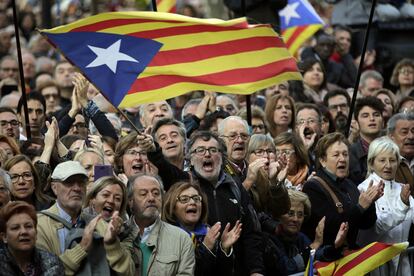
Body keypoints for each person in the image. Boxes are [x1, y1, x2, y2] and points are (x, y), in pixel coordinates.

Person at [36, 161, 134, 275]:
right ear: (54, 187)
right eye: (69, 183)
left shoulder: (97, 222)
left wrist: (112, 244)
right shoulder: (39, 225)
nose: (77, 188)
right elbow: (43, 272)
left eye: (81, 183)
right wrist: (81, 249)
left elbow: (129, 272)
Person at [302, 132, 382, 249]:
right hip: (327, 258)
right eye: (336, 155)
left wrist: (369, 203)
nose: (342, 159)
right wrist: (360, 207)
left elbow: (366, 224)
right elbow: (331, 227)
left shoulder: (349, 184)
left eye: (345, 154)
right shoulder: (313, 187)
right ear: (322, 161)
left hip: (349, 256)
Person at [358, 137, 413, 275]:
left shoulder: (403, 189)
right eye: (382, 160)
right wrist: (401, 206)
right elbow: (373, 230)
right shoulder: (364, 190)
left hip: (402, 264)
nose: (388, 165)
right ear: (371, 163)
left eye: (392, 160)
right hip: (376, 266)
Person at [163, 181, 241, 276]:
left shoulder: (210, 233)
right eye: (184, 199)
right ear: (172, 207)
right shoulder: (167, 236)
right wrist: (206, 248)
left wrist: (224, 248)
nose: (192, 202)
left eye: (196, 198)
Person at [262, 189, 347, 275]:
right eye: (290, 213)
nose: (295, 219)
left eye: (300, 215)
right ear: (278, 215)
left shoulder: (300, 237)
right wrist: (315, 244)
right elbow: (287, 268)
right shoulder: (269, 238)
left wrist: (336, 247)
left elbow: (317, 255)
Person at [128, 173, 195, 275]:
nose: (151, 198)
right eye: (143, 194)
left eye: (156, 193)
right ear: (130, 201)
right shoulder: (117, 234)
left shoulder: (181, 239)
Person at [0, 201, 64, 275]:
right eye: (15, 228)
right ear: (4, 237)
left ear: (36, 232)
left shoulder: (52, 264)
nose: (24, 232)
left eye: (28, 226)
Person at [244, 134, 290, 216]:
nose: (266, 156)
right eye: (259, 152)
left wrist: (274, 182)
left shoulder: (275, 178)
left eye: (270, 151)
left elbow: (282, 210)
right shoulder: (242, 178)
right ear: (247, 156)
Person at [349, 97, 385, 185]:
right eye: (365, 116)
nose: (372, 119)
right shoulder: (350, 153)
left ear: (383, 122)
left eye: (376, 115)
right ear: (356, 122)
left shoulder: (394, 149)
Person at [387, 113, 414, 190]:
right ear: (391, 136)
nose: (411, 136)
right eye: (404, 132)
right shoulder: (386, 163)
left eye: (413, 131)